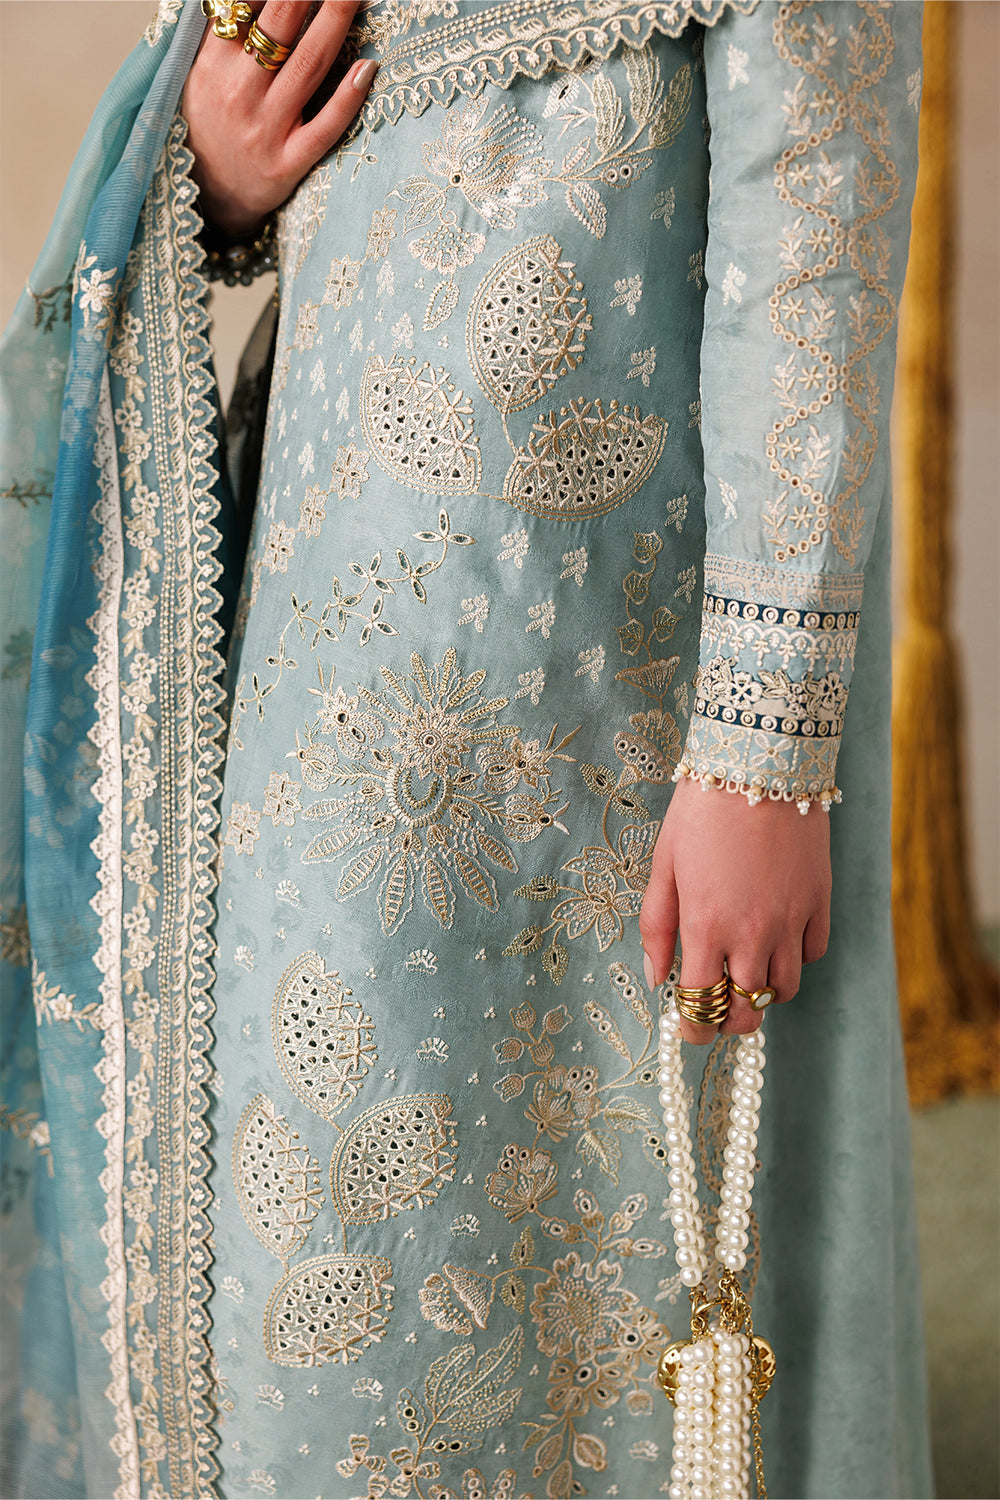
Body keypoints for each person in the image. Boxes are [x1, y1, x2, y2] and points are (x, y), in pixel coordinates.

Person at [0, 2, 932, 1497]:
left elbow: (818, 190)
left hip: (617, 674)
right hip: (314, 637)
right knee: (309, 1264)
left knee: (603, 1261)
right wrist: (216, 166)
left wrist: (762, 738)